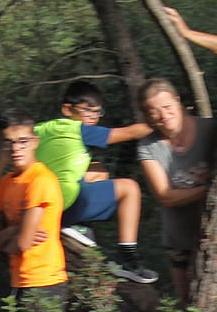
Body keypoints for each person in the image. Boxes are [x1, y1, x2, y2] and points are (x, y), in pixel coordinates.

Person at [33, 80, 157, 284]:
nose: (92, 117)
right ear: (67, 109)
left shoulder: (42, 129)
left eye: (97, 112)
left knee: (97, 169)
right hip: (65, 205)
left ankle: (76, 225)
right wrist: (162, 120)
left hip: (41, 207)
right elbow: (130, 132)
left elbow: (6, 145)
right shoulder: (81, 130)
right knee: (130, 189)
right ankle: (128, 257)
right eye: (87, 111)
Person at [136, 79, 217, 305]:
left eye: (167, 107)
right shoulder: (148, 147)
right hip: (179, 240)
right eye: (154, 112)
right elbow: (166, 196)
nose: (163, 116)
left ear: (178, 102)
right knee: (188, 305)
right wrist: (212, 190)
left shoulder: (211, 129)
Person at [0, 107, 67, 310]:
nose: (15, 148)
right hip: (19, 282)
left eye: (22, 141)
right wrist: (13, 231)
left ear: (35, 142)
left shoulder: (40, 180)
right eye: (8, 142)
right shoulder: (5, 184)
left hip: (45, 283)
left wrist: (12, 239)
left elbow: (21, 244)